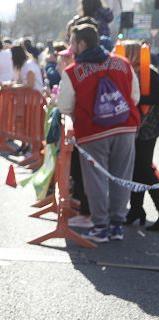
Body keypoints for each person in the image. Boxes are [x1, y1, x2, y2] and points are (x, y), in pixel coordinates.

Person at [57, 21, 139, 243]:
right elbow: (135, 96)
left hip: (93, 131)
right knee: (122, 177)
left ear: (81, 44)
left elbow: (64, 105)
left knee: (96, 179)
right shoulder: (122, 63)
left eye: (72, 42)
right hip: (125, 127)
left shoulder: (73, 72)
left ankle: (101, 225)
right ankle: (117, 225)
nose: (71, 46)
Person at [118, 42, 159, 231]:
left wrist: (133, 98)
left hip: (148, 129)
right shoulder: (128, 73)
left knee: (145, 170)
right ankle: (136, 209)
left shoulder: (149, 73)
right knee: (136, 170)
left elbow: (154, 98)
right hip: (135, 127)